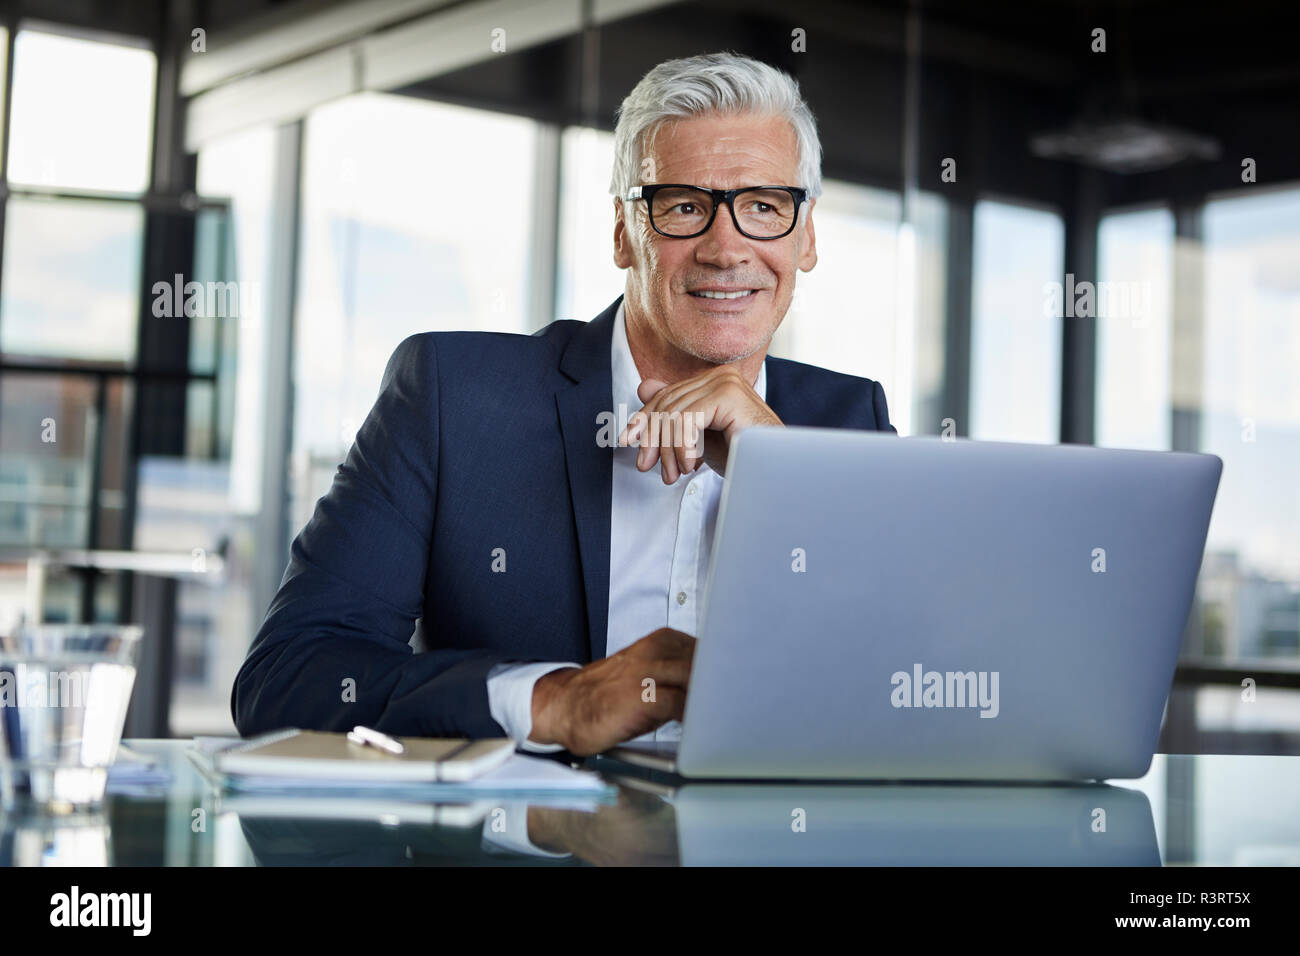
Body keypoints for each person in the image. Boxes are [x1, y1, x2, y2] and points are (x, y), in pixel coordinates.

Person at [231, 50, 896, 757]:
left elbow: (915, 687)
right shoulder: (454, 397)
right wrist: (552, 702)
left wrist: (784, 477)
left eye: (765, 206)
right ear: (623, 232)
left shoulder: (848, 424)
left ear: (808, 235)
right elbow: (286, 679)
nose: (726, 247)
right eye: (683, 207)